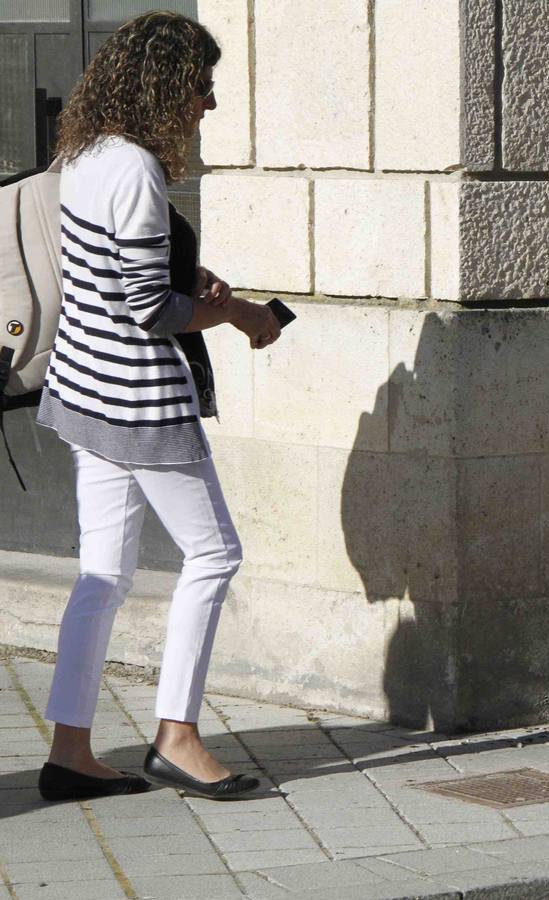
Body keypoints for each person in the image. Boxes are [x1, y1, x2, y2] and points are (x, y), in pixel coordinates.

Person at [36, 11, 279, 802]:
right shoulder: (137, 167)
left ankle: (70, 749)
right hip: (138, 403)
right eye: (202, 86)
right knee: (214, 556)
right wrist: (242, 315)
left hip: (81, 390)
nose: (207, 103)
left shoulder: (84, 154)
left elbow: (116, 275)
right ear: (167, 87)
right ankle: (176, 737)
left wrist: (189, 277)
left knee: (102, 575)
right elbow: (150, 311)